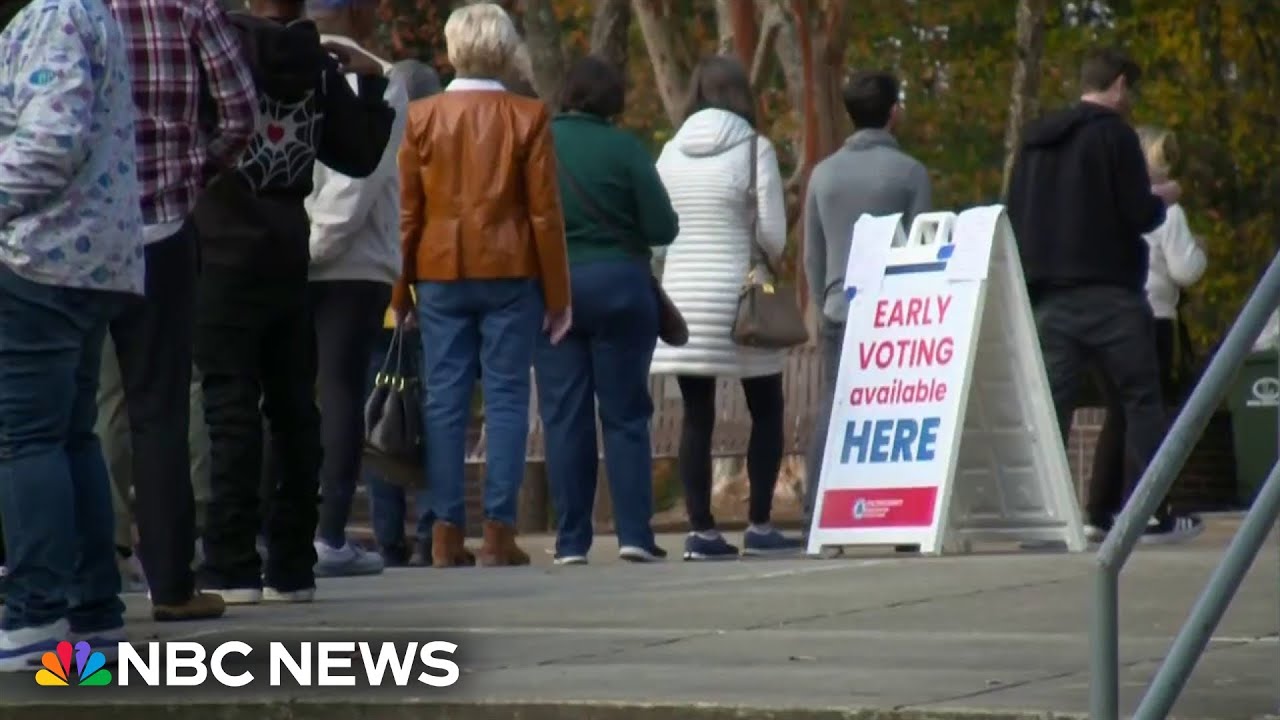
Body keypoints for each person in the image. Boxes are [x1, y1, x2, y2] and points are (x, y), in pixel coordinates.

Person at [192, 0, 395, 604]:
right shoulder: (319, 65)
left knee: (229, 406)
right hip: (287, 248)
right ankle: (291, 563)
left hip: (221, 247)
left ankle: (230, 561)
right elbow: (357, 156)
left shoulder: (216, 54)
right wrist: (374, 83)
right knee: (293, 410)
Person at [393, 2, 571, 568]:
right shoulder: (528, 115)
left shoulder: (422, 117)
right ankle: (499, 529)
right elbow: (544, 213)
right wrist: (559, 295)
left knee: (444, 398)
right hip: (512, 269)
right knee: (507, 398)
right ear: (505, 49)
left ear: (450, 49)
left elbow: (408, 213)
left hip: (439, 269)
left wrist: (400, 293)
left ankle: (446, 530)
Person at [1006, 47, 1202, 544]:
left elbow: (1015, 213)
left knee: (1053, 409)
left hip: (1048, 296)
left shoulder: (1035, 142)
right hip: (1111, 293)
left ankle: (1040, 517)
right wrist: (1162, 201)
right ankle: (1150, 511)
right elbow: (1137, 214)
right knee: (1140, 401)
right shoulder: (1115, 136)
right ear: (1117, 84)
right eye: (1129, 89)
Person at [102, 0, 258, 620]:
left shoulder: (73, 11)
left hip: (85, 231)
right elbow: (241, 112)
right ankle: (171, 584)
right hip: (165, 226)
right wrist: (199, 164)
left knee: (81, 408)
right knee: (160, 410)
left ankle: (87, 573)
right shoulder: (191, 8)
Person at [0, 0, 143, 667]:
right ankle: (91, 607)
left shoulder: (55, 16)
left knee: (26, 437)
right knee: (70, 433)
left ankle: (36, 613)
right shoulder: (92, 14)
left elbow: (50, 141)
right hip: (97, 257)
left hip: (40, 254)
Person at [650, 56, 802, 561]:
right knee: (767, 407)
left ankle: (702, 533)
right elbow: (773, 236)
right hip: (742, 302)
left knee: (697, 414)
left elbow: (657, 236)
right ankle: (759, 525)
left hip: (685, 301)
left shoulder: (669, 152)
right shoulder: (755, 149)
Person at [533, 56, 679, 565]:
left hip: (553, 292)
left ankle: (572, 542)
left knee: (564, 416)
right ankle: (635, 535)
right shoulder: (624, 148)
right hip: (621, 289)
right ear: (613, 100)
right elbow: (663, 228)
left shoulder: (538, 142)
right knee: (625, 414)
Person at [302, 0, 409, 578]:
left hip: (308, 254)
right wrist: (315, 243)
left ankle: (312, 529)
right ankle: (323, 532)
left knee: (315, 391)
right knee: (337, 389)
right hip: (349, 258)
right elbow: (355, 183)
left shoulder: (300, 66)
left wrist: (300, 244)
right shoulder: (379, 80)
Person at [801, 70, 932, 522]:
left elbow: (811, 256)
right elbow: (921, 247)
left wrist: (825, 303)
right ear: (894, 113)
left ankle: (814, 514)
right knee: (903, 412)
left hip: (841, 306)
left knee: (833, 406)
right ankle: (902, 515)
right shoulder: (910, 173)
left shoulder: (823, 174)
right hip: (896, 311)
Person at [1086, 126, 1207, 541]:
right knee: (1146, 412)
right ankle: (1149, 509)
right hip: (1153, 318)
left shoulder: (1104, 206)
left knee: (1116, 416)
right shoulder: (1168, 212)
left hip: (1106, 317)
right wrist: (1201, 250)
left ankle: (1100, 509)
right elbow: (1185, 270)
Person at [366, 59, 442, 568]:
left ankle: (388, 537)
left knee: (381, 421)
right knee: (433, 417)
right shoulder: (438, 151)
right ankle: (431, 533)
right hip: (425, 298)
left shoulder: (374, 143)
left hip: (376, 300)